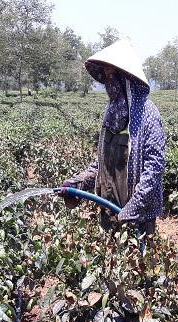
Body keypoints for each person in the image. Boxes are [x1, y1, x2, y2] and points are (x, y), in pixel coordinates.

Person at [60, 38, 165, 238]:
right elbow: (103, 164)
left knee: (137, 265)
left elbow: (155, 167)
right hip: (109, 208)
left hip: (138, 217)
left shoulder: (147, 114)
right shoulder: (111, 112)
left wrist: (134, 206)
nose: (109, 82)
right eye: (106, 76)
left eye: (112, 75)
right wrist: (77, 184)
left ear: (126, 78)